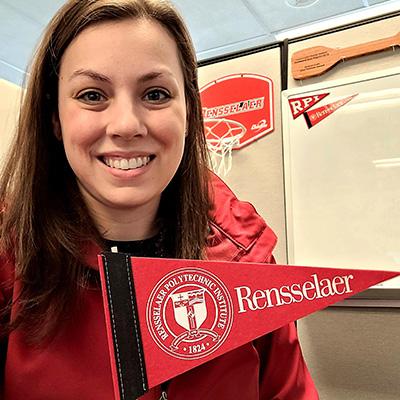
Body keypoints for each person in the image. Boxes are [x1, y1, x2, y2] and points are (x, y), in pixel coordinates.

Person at [0, 0, 319, 399]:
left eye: (154, 93)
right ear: (55, 119)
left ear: (188, 112)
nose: (127, 125)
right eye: (92, 95)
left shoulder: (248, 259)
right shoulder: (9, 260)